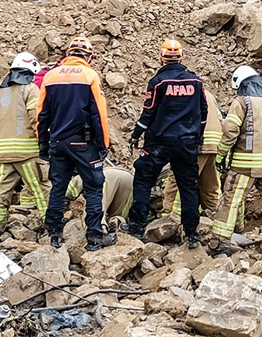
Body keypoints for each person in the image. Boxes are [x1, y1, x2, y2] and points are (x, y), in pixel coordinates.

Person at [121, 39, 207, 249]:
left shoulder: (158, 82)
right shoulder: (196, 82)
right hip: (187, 143)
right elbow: (204, 112)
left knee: (143, 181)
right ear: (181, 56)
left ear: (161, 57)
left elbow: (148, 111)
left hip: (158, 142)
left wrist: (136, 133)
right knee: (188, 187)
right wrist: (199, 135)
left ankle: (137, 227)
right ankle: (192, 233)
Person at [36, 36, 115, 251]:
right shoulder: (89, 75)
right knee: (94, 186)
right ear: (88, 56)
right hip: (83, 143)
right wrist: (103, 144)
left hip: (58, 141)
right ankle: (95, 235)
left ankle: (53, 231)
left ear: (68, 53)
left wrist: (42, 144)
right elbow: (98, 113)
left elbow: (41, 114)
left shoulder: (50, 76)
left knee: (58, 186)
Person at [209, 65, 262, 256]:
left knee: (231, 202)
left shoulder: (242, 102)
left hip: (244, 165)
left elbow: (230, 131)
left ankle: (220, 243)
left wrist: (220, 155)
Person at [0, 52, 51, 238]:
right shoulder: (31, 89)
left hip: (2, 152)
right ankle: (51, 224)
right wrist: (44, 143)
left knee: (1, 189)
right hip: (27, 152)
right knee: (41, 187)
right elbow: (37, 119)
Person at [162, 86, 223, 217]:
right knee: (211, 185)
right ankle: (214, 215)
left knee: (179, 181)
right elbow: (220, 119)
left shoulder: (182, 93)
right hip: (214, 143)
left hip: (195, 143)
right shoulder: (209, 94)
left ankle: (169, 217)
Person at [66, 167, 134, 230]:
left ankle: (101, 228)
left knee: (99, 208)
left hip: (105, 179)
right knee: (120, 211)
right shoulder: (94, 171)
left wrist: (64, 209)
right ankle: (117, 220)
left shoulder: (79, 178)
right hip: (130, 179)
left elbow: (66, 194)